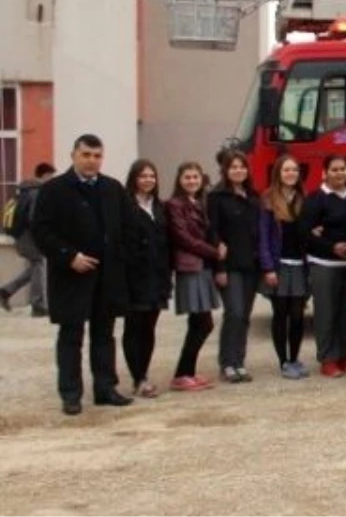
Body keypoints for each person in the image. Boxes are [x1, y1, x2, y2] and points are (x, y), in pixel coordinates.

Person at [31, 134, 140, 415]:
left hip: (107, 277)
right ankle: (71, 394)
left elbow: (129, 227)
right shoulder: (54, 190)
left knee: (104, 335)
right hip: (71, 277)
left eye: (97, 156)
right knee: (71, 336)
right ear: (73, 155)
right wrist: (69, 257)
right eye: (86, 155)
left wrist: (122, 259)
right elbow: (41, 231)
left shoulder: (113, 188)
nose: (92, 161)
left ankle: (105, 389)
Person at [299, 155, 346, 378]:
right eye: (334, 170)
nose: (339, 174)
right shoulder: (316, 199)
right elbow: (305, 232)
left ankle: (343, 354)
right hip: (325, 264)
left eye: (342, 170)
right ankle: (327, 358)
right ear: (325, 172)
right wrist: (331, 247)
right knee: (326, 312)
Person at [165, 162, 221, 393]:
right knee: (202, 322)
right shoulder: (174, 205)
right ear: (179, 180)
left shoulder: (201, 203)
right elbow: (183, 237)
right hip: (190, 266)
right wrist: (214, 252)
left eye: (195, 177)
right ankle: (182, 374)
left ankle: (187, 371)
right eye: (187, 177)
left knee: (200, 323)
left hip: (203, 266)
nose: (191, 181)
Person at [207, 150, 262, 383]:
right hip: (228, 266)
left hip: (251, 264)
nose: (238, 170)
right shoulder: (216, 197)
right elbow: (212, 232)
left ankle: (239, 362)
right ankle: (227, 363)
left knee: (245, 316)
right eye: (233, 167)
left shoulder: (253, 197)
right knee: (234, 312)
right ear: (225, 171)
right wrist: (219, 267)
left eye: (242, 166)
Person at [122, 159, 172, 398]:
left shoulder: (160, 207)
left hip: (157, 276)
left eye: (152, 176)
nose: (148, 180)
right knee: (134, 327)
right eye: (143, 176)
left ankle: (143, 373)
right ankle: (138, 377)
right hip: (134, 277)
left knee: (149, 327)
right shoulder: (125, 206)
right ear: (134, 178)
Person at [259, 155, 311, 380]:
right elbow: (262, 237)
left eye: (295, 170)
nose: (291, 174)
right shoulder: (268, 199)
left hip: (300, 265)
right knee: (280, 314)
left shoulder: (303, 198)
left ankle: (295, 358)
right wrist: (268, 267)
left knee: (298, 315)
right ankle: (283, 361)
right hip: (279, 265)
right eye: (287, 170)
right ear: (278, 173)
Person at [0, 162, 56, 314]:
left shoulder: (23, 191)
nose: (52, 180)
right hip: (29, 235)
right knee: (40, 264)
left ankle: (6, 291)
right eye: (51, 177)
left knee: (36, 267)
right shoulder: (37, 192)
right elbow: (34, 218)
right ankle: (38, 305)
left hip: (21, 235)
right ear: (44, 176)